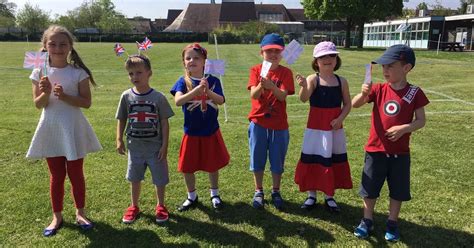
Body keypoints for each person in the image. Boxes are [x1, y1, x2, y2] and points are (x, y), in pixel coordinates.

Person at [26, 25, 102, 237]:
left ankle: (80, 212)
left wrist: (65, 96)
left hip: (73, 127)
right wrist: (46, 92)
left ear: (70, 47)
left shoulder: (78, 73)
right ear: (45, 46)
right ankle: (57, 215)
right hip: (51, 128)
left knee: (76, 174)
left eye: (63, 44)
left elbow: (86, 103)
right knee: (56, 175)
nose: (58, 48)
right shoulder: (39, 71)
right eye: (52, 44)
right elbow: (39, 104)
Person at [351, 44, 429, 242]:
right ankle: (367, 220)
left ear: (406, 68)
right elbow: (355, 104)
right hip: (375, 150)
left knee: (398, 190)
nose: (385, 70)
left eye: (390, 66)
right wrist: (363, 93)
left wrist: (404, 128)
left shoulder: (414, 92)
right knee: (369, 188)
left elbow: (421, 120)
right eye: (383, 66)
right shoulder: (377, 89)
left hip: (400, 153)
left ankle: (392, 222)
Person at [294, 41, 353, 212]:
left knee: (332, 159)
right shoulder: (313, 79)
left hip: (334, 129)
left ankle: (329, 195)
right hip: (315, 128)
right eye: (323, 56)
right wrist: (304, 86)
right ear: (316, 61)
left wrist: (340, 119)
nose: (328, 59)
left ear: (336, 59)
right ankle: (311, 195)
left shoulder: (342, 81)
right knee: (313, 159)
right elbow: (303, 98)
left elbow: (348, 104)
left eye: (331, 55)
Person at [170, 43, 229, 211]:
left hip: (210, 130)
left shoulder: (213, 80)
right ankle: (192, 196)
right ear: (184, 62)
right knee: (187, 167)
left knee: (212, 164)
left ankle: (214, 193)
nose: (192, 61)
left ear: (204, 62)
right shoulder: (183, 81)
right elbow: (178, 101)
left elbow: (221, 100)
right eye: (188, 58)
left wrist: (207, 91)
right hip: (191, 132)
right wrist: (195, 91)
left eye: (196, 58)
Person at [116, 55, 174, 224]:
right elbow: (121, 118)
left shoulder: (159, 98)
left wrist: (164, 145)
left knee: (159, 178)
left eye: (139, 72)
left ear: (149, 73)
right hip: (134, 148)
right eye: (131, 74)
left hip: (155, 148)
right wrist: (119, 139)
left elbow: (164, 122)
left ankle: (161, 205)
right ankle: (134, 206)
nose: (135, 77)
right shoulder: (126, 96)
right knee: (134, 178)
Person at [247, 33, 295, 210]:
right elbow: (254, 94)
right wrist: (261, 84)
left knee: (277, 160)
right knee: (257, 158)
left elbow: (282, 96)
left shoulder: (286, 72)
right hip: (258, 123)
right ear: (262, 53)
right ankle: (258, 190)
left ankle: (276, 190)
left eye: (277, 51)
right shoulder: (255, 70)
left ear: (282, 53)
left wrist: (272, 86)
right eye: (269, 51)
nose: (273, 54)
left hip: (279, 125)